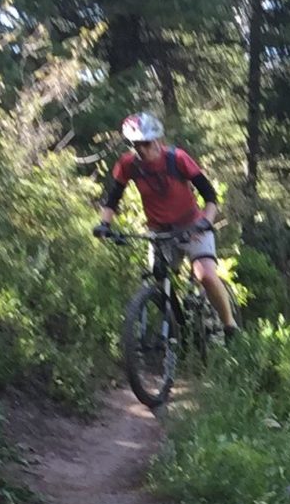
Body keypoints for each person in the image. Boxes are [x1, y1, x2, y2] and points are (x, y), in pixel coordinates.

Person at [96, 112, 238, 340]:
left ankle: (230, 326)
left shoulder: (177, 159)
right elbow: (113, 197)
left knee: (206, 276)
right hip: (160, 231)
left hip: (192, 226)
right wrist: (104, 224)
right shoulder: (128, 165)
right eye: (136, 145)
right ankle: (174, 331)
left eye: (146, 143)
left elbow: (210, 195)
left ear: (157, 140)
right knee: (158, 276)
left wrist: (205, 221)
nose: (141, 149)